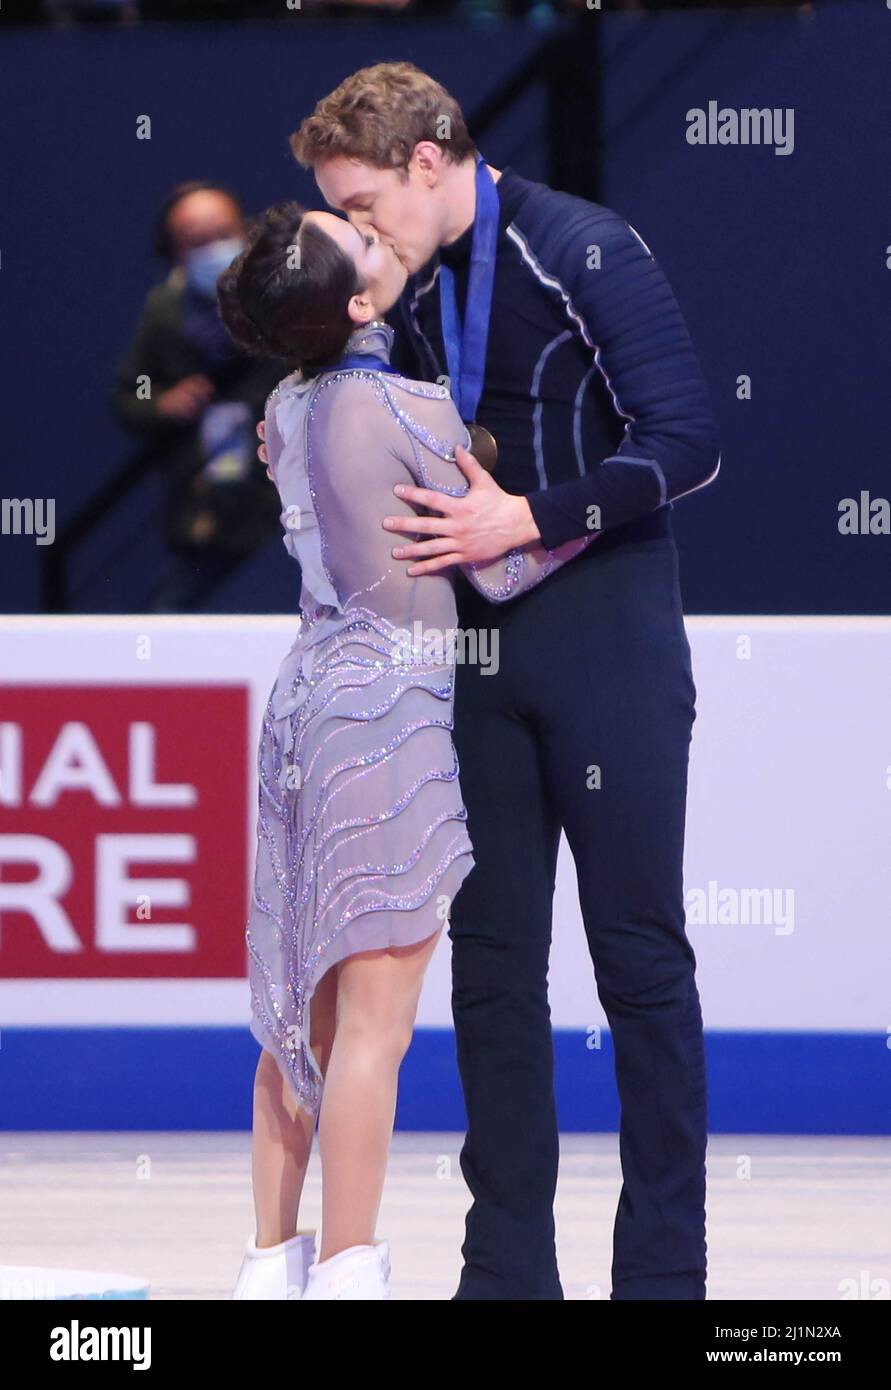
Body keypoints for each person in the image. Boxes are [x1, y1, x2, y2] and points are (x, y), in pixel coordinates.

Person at [268, 61, 721, 1300]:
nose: (358, 237)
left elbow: (688, 440)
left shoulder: (579, 247)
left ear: (429, 162)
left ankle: (664, 1279)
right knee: (493, 964)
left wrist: (529, 515)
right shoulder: (396, 296)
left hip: (607, 625)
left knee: (637, 958)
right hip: (465, 647)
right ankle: (508, 1274)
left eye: (362, 207)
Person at [217, 202, 593, 1300]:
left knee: (304, 1012)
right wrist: (594, 518)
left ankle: (269, 1261)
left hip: (302, 702)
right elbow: (503, 562)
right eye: (363, 240)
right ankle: (345, 1271)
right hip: (385, 716)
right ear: (362, 301)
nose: (381, 233)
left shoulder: (284, 407)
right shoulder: (410, 404)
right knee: (373, 1030)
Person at [113, 180, 282, 611]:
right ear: (175, 254)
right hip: (205, 513)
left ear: (245, 232)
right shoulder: (164, 313)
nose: (215, 250)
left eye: (224, 234)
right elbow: (128, 398)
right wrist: (163, 404)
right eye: (197, 242)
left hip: (284, 507)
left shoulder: (287, 299)